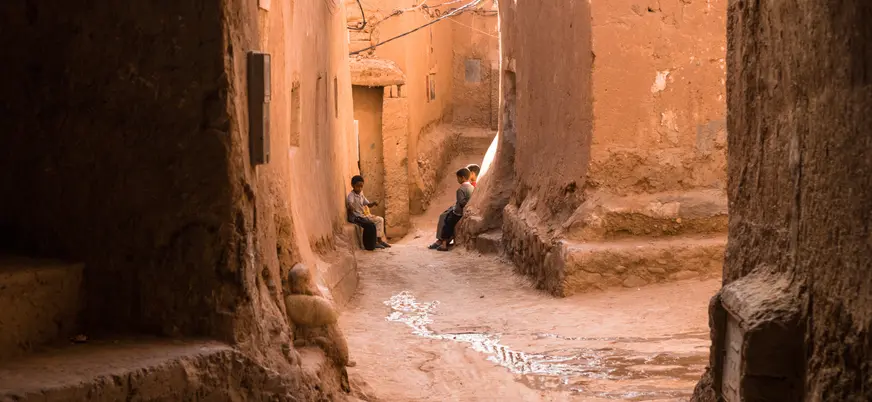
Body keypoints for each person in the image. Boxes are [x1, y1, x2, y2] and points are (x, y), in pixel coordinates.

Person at [429, 168, 474, 251]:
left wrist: (455, 209)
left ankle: (443, 244)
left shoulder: (460, 189)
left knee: (447, 222)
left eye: (458, 178)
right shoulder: (472, 187)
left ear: (463, 178)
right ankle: (441, 241)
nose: (457, 180)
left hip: (458, 213)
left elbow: (461, 202)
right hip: (467, 210)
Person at [346, 175, 391, 249]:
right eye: (358, 186)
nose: (360, 188)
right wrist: (351, 207)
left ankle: (379, 240)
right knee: (371, 224)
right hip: (356, 217)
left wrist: (373, 203)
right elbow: (350, 203)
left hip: (362, 215)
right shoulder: (351, 195)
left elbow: (368, 204)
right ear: (352, 185)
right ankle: (375, 242)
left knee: (380, 219)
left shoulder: (361, 195)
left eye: (361, 186)